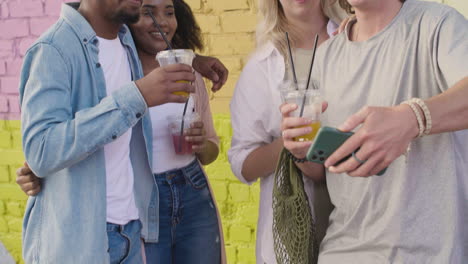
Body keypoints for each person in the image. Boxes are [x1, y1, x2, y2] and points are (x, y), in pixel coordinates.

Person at [17, 0, 227, 263]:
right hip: (87, 238)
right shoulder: (52, 50)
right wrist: (136, 96)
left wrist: (196, 60)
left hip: (132, 226)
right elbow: (42, 150)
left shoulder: (126, 45)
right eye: (149, 11)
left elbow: (155, 50)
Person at [280, 0, 468, 262]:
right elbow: (325, 171)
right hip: (342, 250)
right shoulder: (326, 55)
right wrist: (301, 152)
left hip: (429, 254)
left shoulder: (437, 24)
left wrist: (413, 118)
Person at [228, 0, 346, 263]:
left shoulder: (355, 43)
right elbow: (242, 165)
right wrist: (289, 144)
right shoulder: (261, 67)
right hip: (292, 229)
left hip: (358, 219)